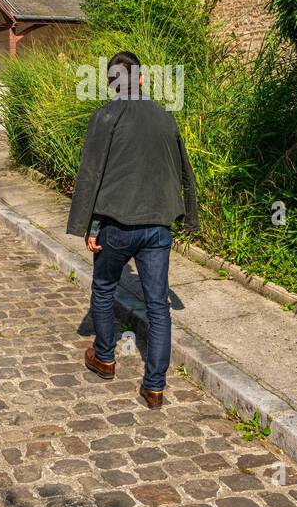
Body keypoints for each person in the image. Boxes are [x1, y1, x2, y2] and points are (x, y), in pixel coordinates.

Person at [66, 51, 198, 409]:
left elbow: (93, 175)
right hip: (157, 228)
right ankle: (155, 387)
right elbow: (182, 170)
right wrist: (187, 216)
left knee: (105, 288)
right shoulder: (165, 117)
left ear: (112, 83)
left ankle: (105, 357)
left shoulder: (106, 116)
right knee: (158, 306)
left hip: (117, 225)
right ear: (140, 79)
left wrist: (88, 225)